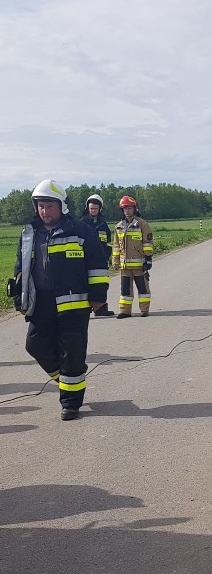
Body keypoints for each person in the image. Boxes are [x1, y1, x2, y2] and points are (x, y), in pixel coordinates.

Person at [12, 179, 109, 421]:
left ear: (62, 206)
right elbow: (20, 268)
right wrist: (19, 297)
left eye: (49, 206)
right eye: (41, 206)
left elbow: (97, 265)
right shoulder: (29, 234)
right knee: (35, 345)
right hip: (41, 302)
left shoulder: (81, 231)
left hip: (74, 304)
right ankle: (68, 381)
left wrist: (98, 296)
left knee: (72, 352)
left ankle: (71, 403)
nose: (45, 211)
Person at [112, 195, 154, 318]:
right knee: (125, 290)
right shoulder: (118, 226)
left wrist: (148, 259)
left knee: (143, 288)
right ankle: (125, 311)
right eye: (124, 209)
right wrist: (115, 261)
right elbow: (116, 246)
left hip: (139, 264)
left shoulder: (142, 224)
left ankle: (144, 310)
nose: (127, 211)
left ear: (135, 209)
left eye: (129, 208)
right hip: (124, 265)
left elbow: (148, 243)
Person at [80, 193, 115, 316]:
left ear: (100, 209)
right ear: (87, 208)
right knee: (85, 285)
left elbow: (108, 242)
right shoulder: (82, 224)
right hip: (85, 260)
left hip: (101, 260)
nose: (93, 211)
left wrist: (107, 255)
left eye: (96, 208)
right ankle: (85, 309)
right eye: (91, 208)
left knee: (101, 284)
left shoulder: (103, 225)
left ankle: (101, 308)